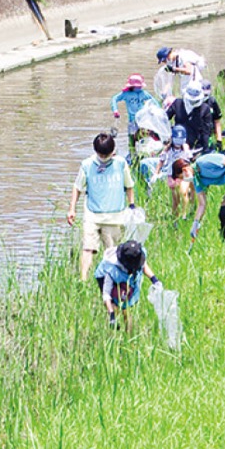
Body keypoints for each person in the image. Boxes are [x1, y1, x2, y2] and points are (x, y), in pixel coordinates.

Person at [67, 133, 137, 281]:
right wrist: (72, 209)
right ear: (95, 151)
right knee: (88, 248)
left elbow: (129, 186)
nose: (103, 158)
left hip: (114, 216)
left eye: (106, 155)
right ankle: (83, 280)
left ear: (113, 151)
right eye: (101, 155)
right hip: (92, 215)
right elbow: (77, 187)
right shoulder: (87, 165)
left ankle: (112, 281)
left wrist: (132, 206)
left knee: (113, 252)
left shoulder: (120, 163)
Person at [95, 238, 159, 326]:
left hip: (125, 280)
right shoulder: (111, 269)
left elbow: (143, 265)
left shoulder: (137, 254)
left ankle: (128, 332)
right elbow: (106, 294)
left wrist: (154, 280)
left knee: (126, 310)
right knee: (115, 306)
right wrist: (112, 315)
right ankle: (112, 323)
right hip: (106, 279)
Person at [168, 78, 222, 154]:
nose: (192, 103)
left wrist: (205, 150)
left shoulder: (205, 109)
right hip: (177, 143)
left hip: (196, 145)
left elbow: (206, 131)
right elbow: (165, 119)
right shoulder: (177, 104)